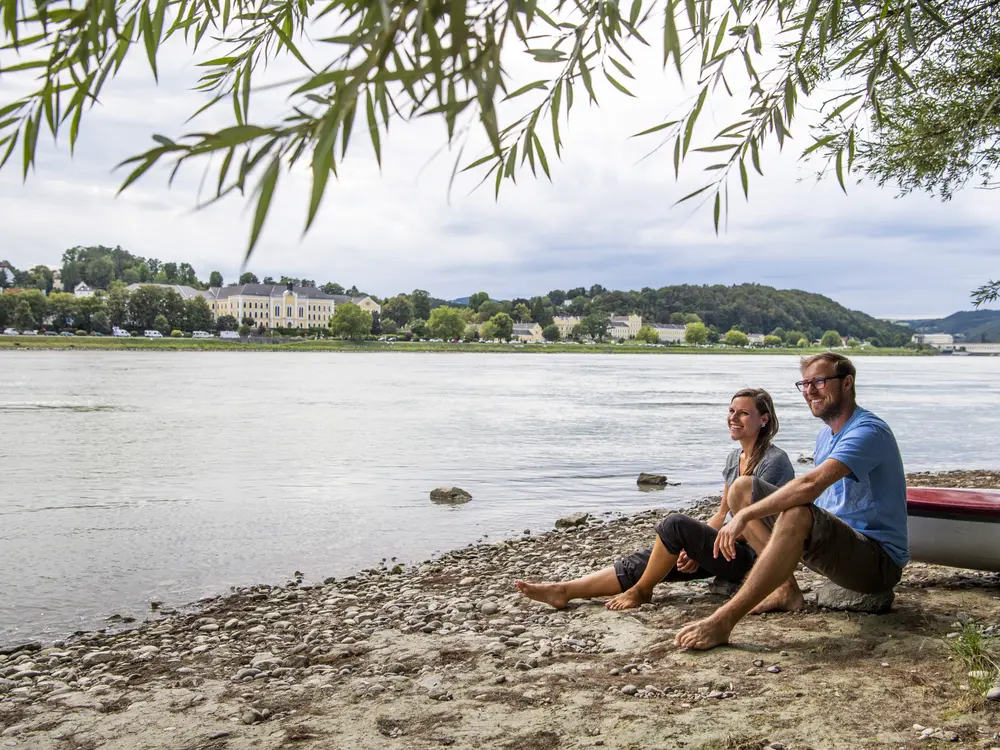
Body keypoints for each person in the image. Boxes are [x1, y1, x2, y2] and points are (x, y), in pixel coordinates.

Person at [674, 352, 908, 650]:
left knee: (797, 513)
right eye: (805, 384)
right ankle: (786, 590)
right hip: (838, 549)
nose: (810, 391)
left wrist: (745, 517)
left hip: (877, 562)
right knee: (741, 489)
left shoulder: (868, 431)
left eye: (819, 381)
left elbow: (810, 485)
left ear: (847, 383)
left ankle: (723, 621)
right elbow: (818, 499)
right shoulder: (825, 436)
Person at [515, 388, 794, 610]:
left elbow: (765, 524)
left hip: (756, 557)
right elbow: (722, 513)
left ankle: (641, 591)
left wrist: (706, 545)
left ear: (764, 419)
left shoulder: (774, 461)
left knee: (674, 525)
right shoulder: (734, 458)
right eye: (731, 411)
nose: (733, 417)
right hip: (727, 546)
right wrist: (697, 546)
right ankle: (564, 590)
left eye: (743, 413)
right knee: (649, 559)